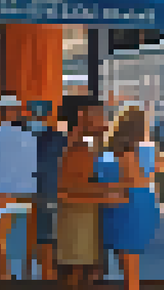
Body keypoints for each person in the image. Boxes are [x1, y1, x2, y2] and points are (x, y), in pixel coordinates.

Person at [56, 96, 123, 290]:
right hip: (78, 219)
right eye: (98, 114)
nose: (104, 120)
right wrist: (110, 190)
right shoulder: (78, 149)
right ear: (82, 116)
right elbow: (70, 186)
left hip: (83, 217)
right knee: (78, 272)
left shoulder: (85, 145)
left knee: (84, 272)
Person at [97, 106, 158, 290]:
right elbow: (142, 180)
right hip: (135, 205)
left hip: (119, 204)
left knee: (125, 263)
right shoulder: (140, 151)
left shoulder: (108, 149)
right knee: (130, 267)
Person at [0, 94, 38, 281]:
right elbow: (34, 166)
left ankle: (3, 278)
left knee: (0, 239)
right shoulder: (29, 136)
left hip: (3, 191)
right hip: (27, 191)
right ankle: (25, 277)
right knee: (24, 239)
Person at [25, 100, 68, 282]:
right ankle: (45, 277)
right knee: (43, 238)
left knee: (42, 238)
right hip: (42, 191)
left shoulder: (24, 136)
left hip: (39, 192)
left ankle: (44, 277)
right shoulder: (58, 138)